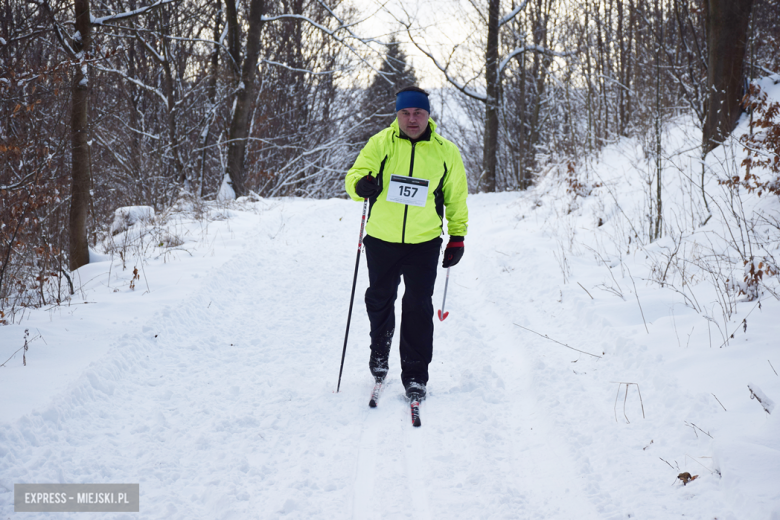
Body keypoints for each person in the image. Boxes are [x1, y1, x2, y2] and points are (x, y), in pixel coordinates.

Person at [345, 86, 469, 401]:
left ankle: (415, 375)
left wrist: (457, 236)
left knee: (417, 307)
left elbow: (456, 197)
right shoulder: (381, 144)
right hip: (381, 239)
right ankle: (380, 352)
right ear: (397, 114)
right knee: (379, 299)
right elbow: (355, 175)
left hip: (423, 242)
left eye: (418, 113)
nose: (412, 119)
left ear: (429, 115)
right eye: (405, 113)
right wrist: (361, 185)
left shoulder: (445, 152)